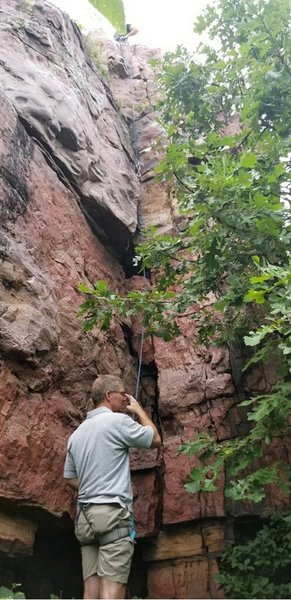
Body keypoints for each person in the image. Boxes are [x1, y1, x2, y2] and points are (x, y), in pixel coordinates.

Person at [63, 374, 161, 600]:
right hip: (112, 516)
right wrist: (137, 410)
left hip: (85, 520)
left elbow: (69, 478)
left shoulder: (76, 434)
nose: (125, 399)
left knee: (91, 591)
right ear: (109, 395)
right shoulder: (118, 421)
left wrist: (92, 483)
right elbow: (154, 438)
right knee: (111, 593)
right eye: (122, 395)